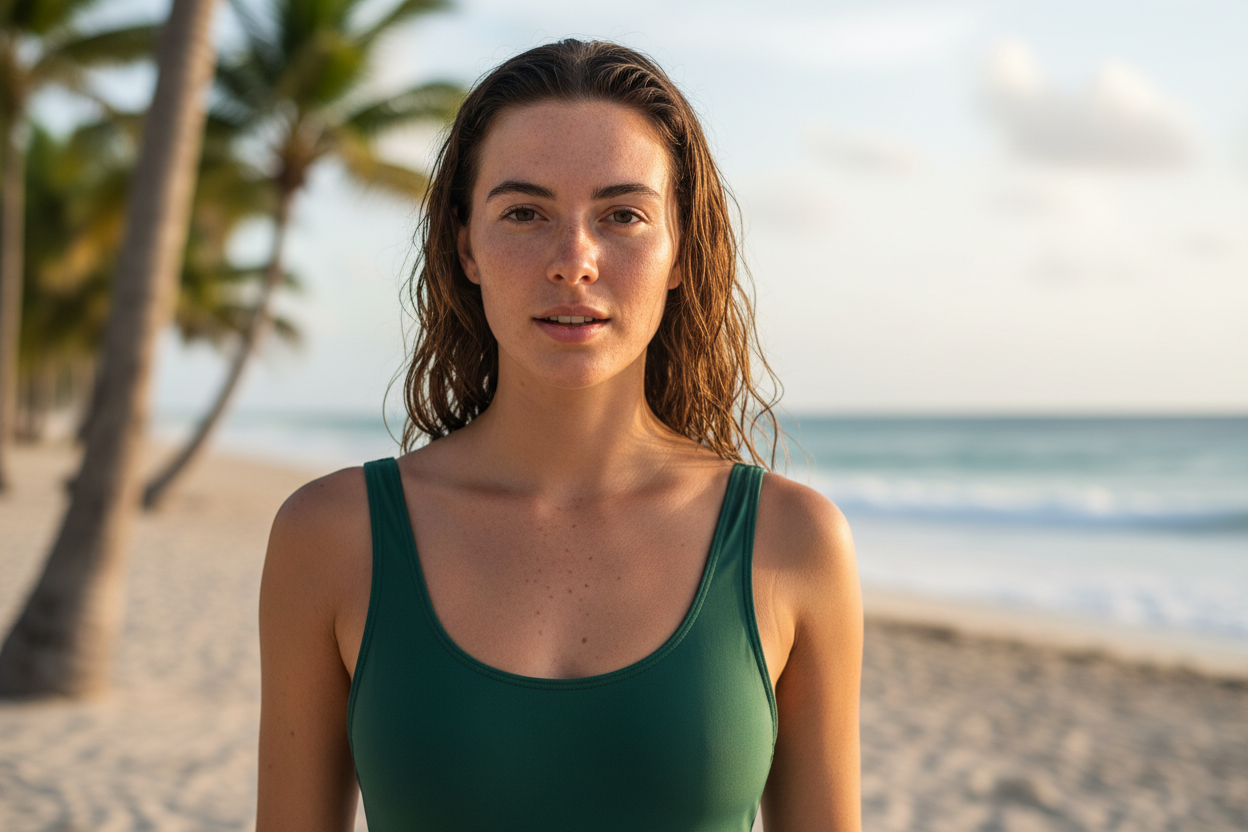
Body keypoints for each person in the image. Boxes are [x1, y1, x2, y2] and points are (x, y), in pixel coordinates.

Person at [256, 39, 862, 832]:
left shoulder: (792, 543)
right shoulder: (333, 537)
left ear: (679, 248)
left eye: (622, 215)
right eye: (525, 213)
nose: (574, 260)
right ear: (466, 245)